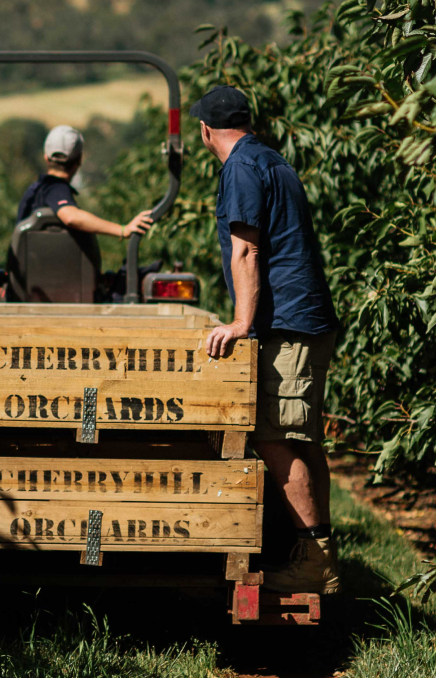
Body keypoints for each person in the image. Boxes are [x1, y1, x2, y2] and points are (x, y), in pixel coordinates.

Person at [190, 85, 340, 594]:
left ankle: (314, 561)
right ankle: (319, 552)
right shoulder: (272, 159)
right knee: (301, 439)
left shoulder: (238, 169)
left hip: (288, 323)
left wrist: (240, 324)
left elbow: (247, 251)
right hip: (306, 319)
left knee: (278, 439)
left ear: (206, 130)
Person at [17, 124, 153, 242]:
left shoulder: (34, 191)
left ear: (46, 158)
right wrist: (123, 229)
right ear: (79, 160)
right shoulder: (56, 189)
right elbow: (70, 217)